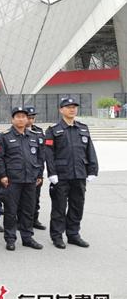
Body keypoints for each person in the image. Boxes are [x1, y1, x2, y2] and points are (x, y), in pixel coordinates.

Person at [45, 97, 99, 249]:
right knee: (59, 207)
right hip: (61, 176)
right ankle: (57, 236)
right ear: (61, 110)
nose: (72, 109)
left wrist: (93, 170)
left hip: (79, 174)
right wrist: (52, 173)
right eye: (68, 107)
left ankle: (73, 234)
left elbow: (90, 151)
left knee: (77, 206)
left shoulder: (83, 128)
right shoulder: (53, 131)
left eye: (74, 106)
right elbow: (48, 154)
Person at [0, 107, 44, 251]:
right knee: (11, 211)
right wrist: (2, 175)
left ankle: (27, 237)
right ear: (12, 119)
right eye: (18, 116)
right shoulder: (4, 136)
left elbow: (40, 157)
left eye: (24, 116)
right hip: (12, 180)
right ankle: (10, 239)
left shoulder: (34, 136)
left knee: (28, 210)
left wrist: (40, 174)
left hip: (30, 180)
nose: (21, 119)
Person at [25, 106, 47, 230]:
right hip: (22, 172)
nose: (31, 120)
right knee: (23, 200)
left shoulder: (38, 131)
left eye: (33, 118)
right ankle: (22, 221)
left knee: (36, 197)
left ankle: (34, 219)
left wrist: (40, 173)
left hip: (36, 171)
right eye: (29, 117)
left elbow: (41, 153)